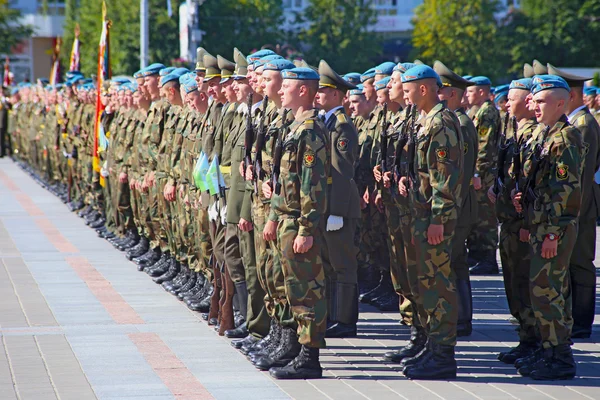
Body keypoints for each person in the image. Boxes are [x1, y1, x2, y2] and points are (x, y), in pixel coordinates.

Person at [512, 76, 584, 380]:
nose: (535, 106)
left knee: (548, 292)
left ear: (560, 103)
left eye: (541, 101)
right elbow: (543, 184)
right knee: (545, 291)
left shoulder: (565, 138)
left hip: (555, 229)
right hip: (542, 225)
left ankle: (559, 358)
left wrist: (553, 232)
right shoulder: (547, 134)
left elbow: (567, 192)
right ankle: (548, 350)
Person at [263, 66, 330, 379]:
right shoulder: (294, 127)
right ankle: (296, 349)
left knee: (306, 293)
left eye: (286, 85)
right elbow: (284, 181)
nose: (281, 90)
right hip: (287, 218)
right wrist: (275, 216)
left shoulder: (310, 131)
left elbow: (312, 185)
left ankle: (309, 358)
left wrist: (306, 229)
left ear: (303, 90)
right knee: (291, 289)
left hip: (300, 222)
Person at [398, 65, 464, 380]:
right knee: (426, 285)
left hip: (435, 220)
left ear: (423, 88)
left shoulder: (440, 123)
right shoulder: (426, 121)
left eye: (407, 87)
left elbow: (446, 180)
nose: (404, 92)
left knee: (438, 286)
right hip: (422, 217)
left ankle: (443, 356)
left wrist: (438, 219)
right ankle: (433, 347)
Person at [548, 64, 600, 339]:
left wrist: (568, 209)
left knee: (580, 263)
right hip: (576, 203)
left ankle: (581, 321)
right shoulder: (577, 124)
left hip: (580, 205)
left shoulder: (584, 125)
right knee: (571, 264)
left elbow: (580, 172)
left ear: (573, 96)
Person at [490, 77, 539, 364]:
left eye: (512, 97)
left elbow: (531, 184)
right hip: (508, 221)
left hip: (521, 224)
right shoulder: (516, 132)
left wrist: (524, 224)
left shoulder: (532, 135)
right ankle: (526, 339)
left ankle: (536, 343)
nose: (506, 103)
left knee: (525, 285)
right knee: (513, 285)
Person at [315, 59, 361, 338]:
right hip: (327, 205)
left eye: (322, 90)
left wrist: (337, 211)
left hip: (339, 206)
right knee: (329, 264)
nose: (316, 94)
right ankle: (333, 315)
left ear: (335, 94)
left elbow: (342, 173)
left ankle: (345, 321)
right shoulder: (325, 121)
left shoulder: (341, 126)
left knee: (343, 265)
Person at [434, 60, 478, 337]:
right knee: (455, 261)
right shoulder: (454, 121)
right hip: (456, 204)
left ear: (451, 93)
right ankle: (461, 319)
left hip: (458, 205)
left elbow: (459, 173)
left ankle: (461, 320)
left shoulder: (460, 123)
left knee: (455, 261)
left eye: (440, 89)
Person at [465, 76, 501, 274]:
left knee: (486, 216)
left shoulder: (487, 112)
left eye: (470, 91)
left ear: (481, 92)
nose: (467, 95)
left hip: (485, 173)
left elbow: (484, 145)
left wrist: (477, 171)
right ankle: (477, 255)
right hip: (480, 172)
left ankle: (488, 259)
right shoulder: (477, 111)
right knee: (477, 215)